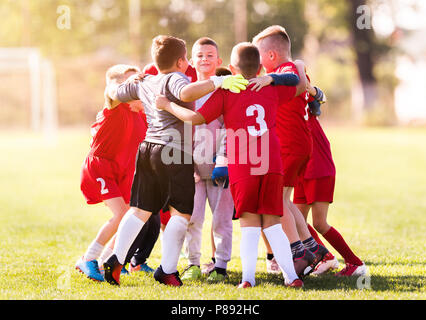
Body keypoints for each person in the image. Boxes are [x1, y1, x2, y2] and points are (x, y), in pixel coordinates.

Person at [155, 42, 306, 288]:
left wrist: (167, 105)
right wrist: (276, 76)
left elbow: (194, 118)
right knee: (272, 223)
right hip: (271, 162)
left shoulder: (227, 92)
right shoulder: (271, 88)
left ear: (232, 68)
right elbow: (298, 83)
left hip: (243, 165)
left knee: (248, 224)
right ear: (259, 66)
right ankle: (292, 277)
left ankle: (247, 279)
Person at [102, 35, 248, 286]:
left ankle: (116, 259)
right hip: (174, 152)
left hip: (148, 149)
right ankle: (167, 270)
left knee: (139, 210)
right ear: (182, 62)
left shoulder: (145, 80)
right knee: (181, 213)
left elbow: (113, 92)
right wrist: (220, 80)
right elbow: (187, 91)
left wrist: (120, 88)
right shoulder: (175, 78)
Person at [252, 25, 330, 278]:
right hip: (297, 144)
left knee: (277, 201)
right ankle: (312, 249)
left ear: (272, 55)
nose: (258, 62)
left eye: (259, 55)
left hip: (289, 145)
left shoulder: (285, 70)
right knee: (285, 200)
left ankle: (299, 253)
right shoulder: (287, 68)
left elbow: (296, 81)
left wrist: (274, 76)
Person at [76, 64, 154, 281]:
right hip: (101, 166)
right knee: (121, 215)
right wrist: (122, 86)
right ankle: (89, 258)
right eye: (131, 84)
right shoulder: (114, 107)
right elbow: (111, 91)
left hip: (122, 169)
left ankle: (106, 261)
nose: (137, 88)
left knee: (130, 218)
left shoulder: (140, 115)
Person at [294, 82, 367, 277]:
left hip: (317, 167)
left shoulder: (300, 96)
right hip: (301, 168)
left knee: (319, 222)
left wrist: (312, 90)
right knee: (295, 219)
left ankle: (355, 262)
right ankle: (325, 257)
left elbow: (319, 94)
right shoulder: (283, 106)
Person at [180, 37, 234, 283]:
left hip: (219, 168)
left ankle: (221, 265)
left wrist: (222, 160)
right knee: (192, 217)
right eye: (199, 55)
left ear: (219, 61)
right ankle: (192, 263)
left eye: (210, 55)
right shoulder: (187, 92)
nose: (204, 59)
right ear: (192, 61)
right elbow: (183, 131)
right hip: (193, 168)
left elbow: (229, 130)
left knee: (221, 219)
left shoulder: (226, 92)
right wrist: (187, 163)